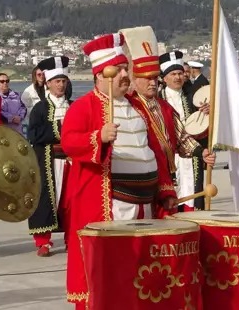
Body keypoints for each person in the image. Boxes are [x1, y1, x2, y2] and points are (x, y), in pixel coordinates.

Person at [60, 33, 177, 308]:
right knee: (106, 272)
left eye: (127, 69)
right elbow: (69, 141)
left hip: (144, 204)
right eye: (119, 70)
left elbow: (155, 153)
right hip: (109, 204)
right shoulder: (83, 106)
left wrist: (165, 190)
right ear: (101, 75)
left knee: (140, 270)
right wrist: (98, 138)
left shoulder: (137, 106)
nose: (125, 75)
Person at [122, 26, 216, 212]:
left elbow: (181, 138)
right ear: (135, 79)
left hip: (164, 176)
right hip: (137, 179)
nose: (152, 82)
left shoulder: (164, 107)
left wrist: (201, 152)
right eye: (147, 78)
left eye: (154, 78)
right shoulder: (128, 106)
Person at [27, 57, 71, 257]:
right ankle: (43, 241)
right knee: (45, 199)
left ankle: (72, 238)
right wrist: (61, 130)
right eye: (57, 81)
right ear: (49, 83)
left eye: (63, 81)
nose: (60, 85)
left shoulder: (74, 106)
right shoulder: (40, 109)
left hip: (71, 161)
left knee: (70, 201)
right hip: (48, 160)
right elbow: (34, 135)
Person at [159, 51, 209, 211]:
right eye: (173, 74)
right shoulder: (158, 98)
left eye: (180, 73)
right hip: (169, 156)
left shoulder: (192, 96)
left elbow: (203, 127)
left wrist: (207, 114)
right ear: (165, 77)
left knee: (193, 191)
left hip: (191, 154)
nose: (177, 77)